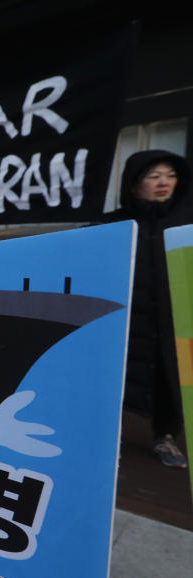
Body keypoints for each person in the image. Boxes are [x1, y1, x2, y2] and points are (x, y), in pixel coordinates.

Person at [109, 150, 190, 468]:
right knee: (115, 379)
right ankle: (109, 438)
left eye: (170, 176)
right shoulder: (115, 225)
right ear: (133, 184)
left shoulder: (187, 224)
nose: (163, 182)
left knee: (172, 377)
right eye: (153, 176)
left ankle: (165, 437)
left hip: (174, 321)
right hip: (124, 319)